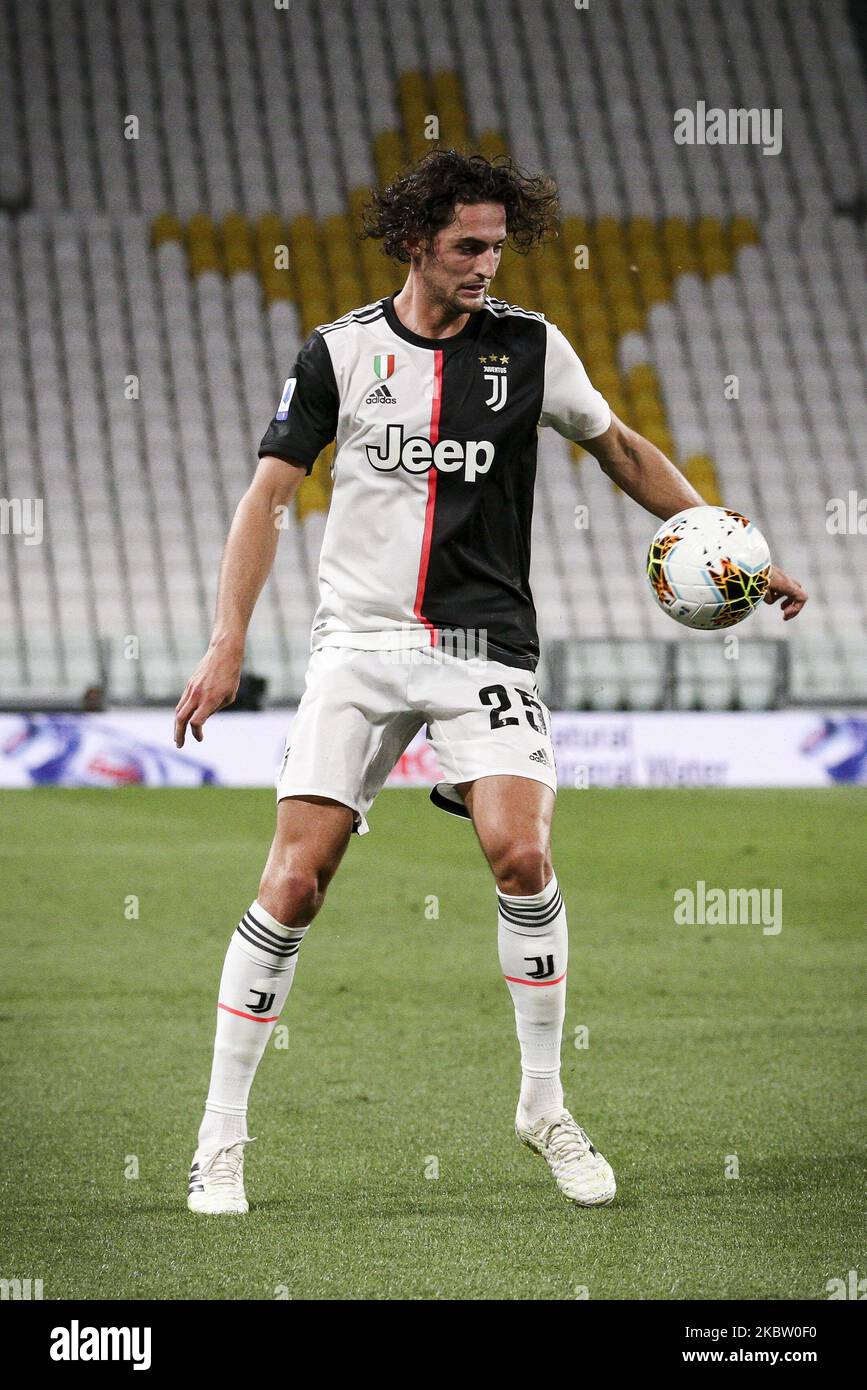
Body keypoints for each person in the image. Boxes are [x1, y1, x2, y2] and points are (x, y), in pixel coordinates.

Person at [175, 149, 807, 1215]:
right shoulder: (337, 354)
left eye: (497, 246)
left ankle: (544, 1106)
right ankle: (219, 1137)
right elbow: (267, 497)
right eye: (468, 246)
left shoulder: (531, 347)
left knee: (522, 854)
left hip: (485, 645)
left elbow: (624, 449)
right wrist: (227, 638)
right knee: (295, 882)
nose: (485, 264)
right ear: (416, 240)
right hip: (361, 645)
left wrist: (728, 542)